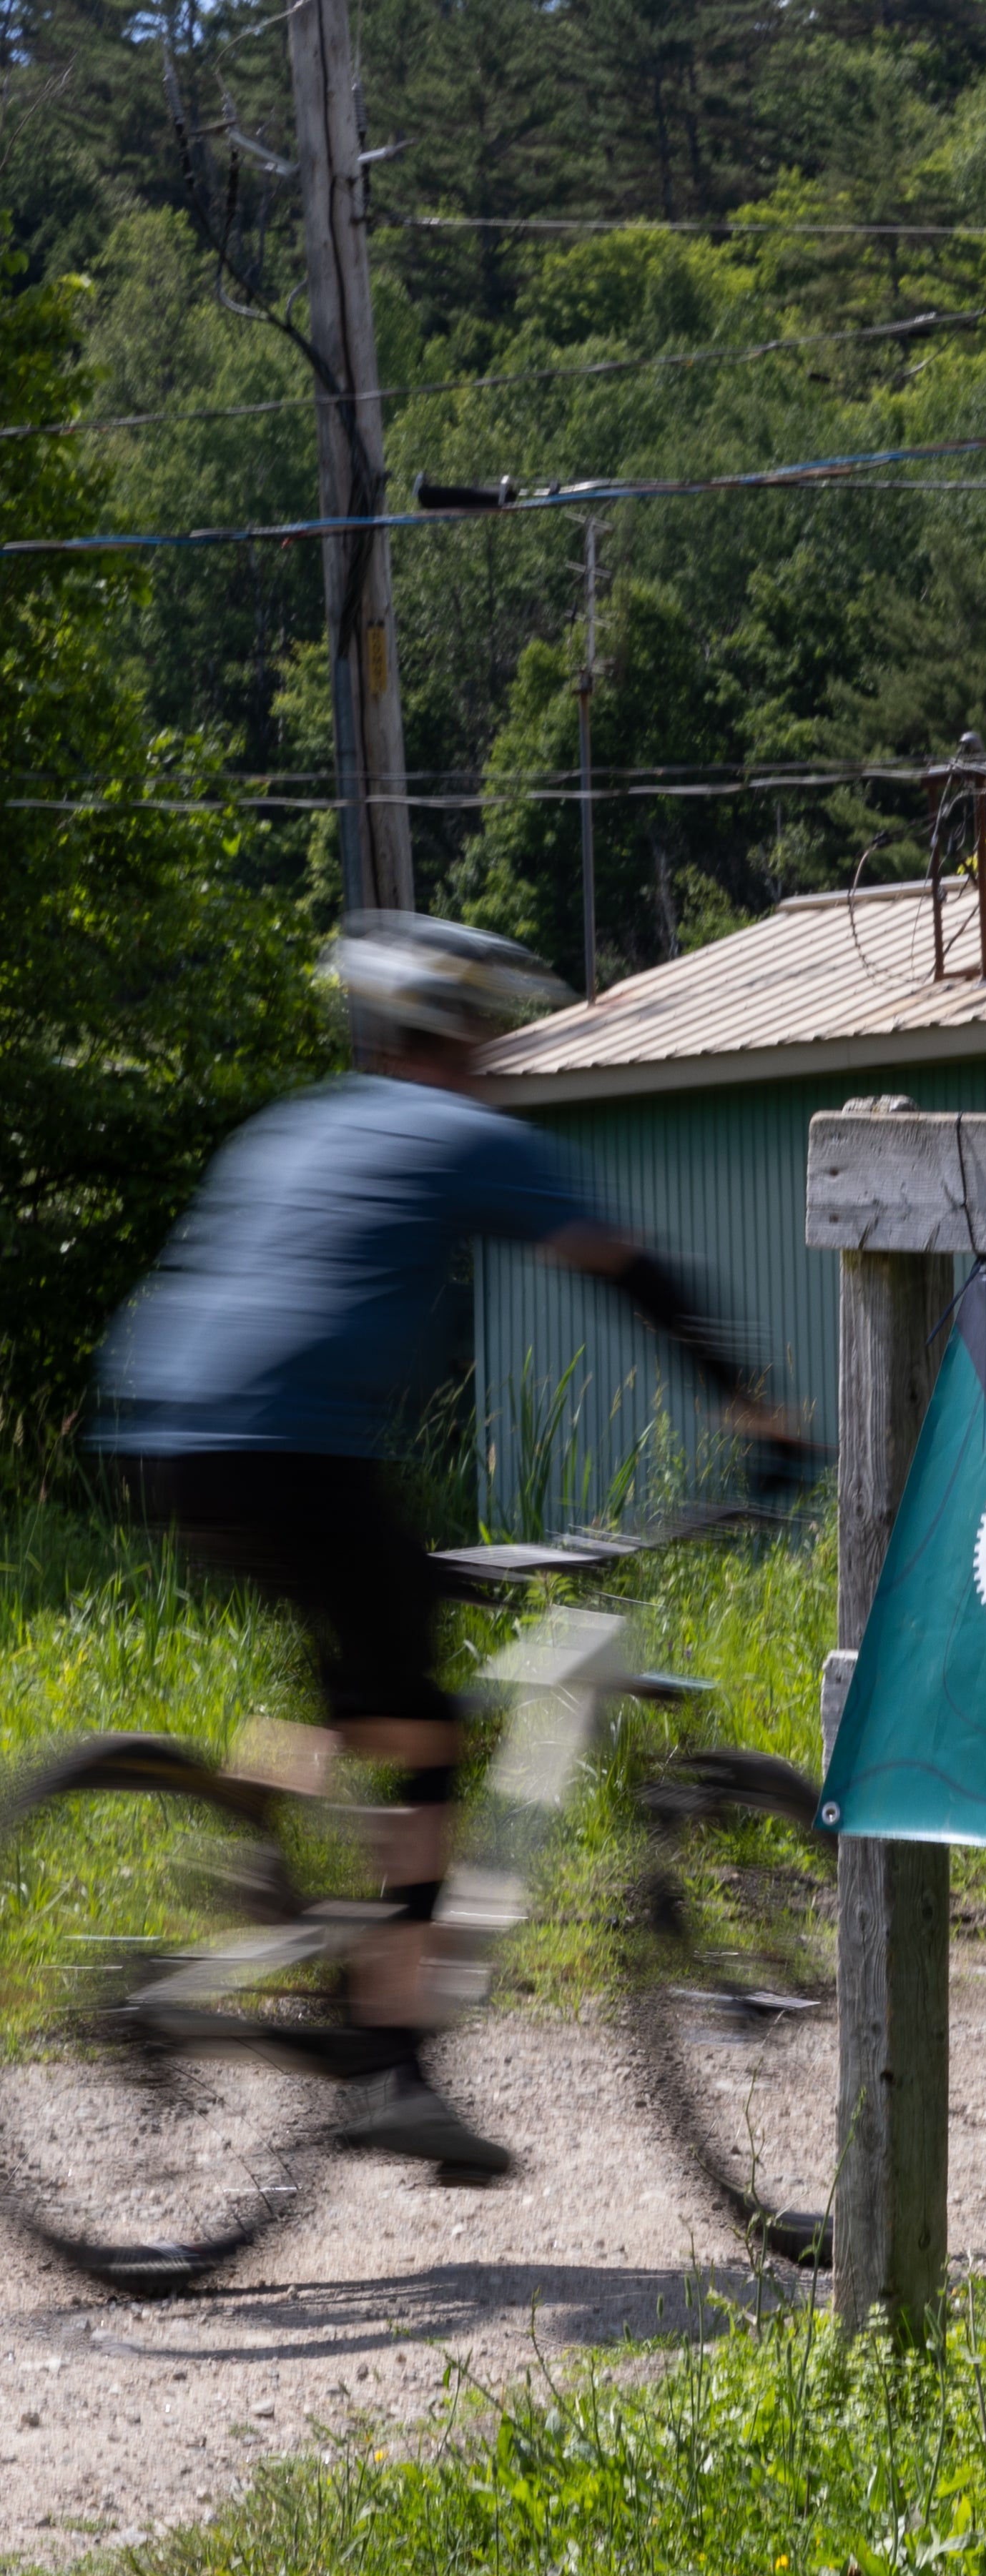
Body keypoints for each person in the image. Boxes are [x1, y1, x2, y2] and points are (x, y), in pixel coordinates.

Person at [99, 912, 791, 2174]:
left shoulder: (295, 1122)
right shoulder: (461, 1133)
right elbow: (628, 1267)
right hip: (300, 1449)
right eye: (486, 1034)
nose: (493, 1058)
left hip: (170, 1437)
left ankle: (248, 1839)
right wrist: (753, 1404)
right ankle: (397, 2070)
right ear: (460, 1034)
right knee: (429, 1733)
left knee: (358, 1686)